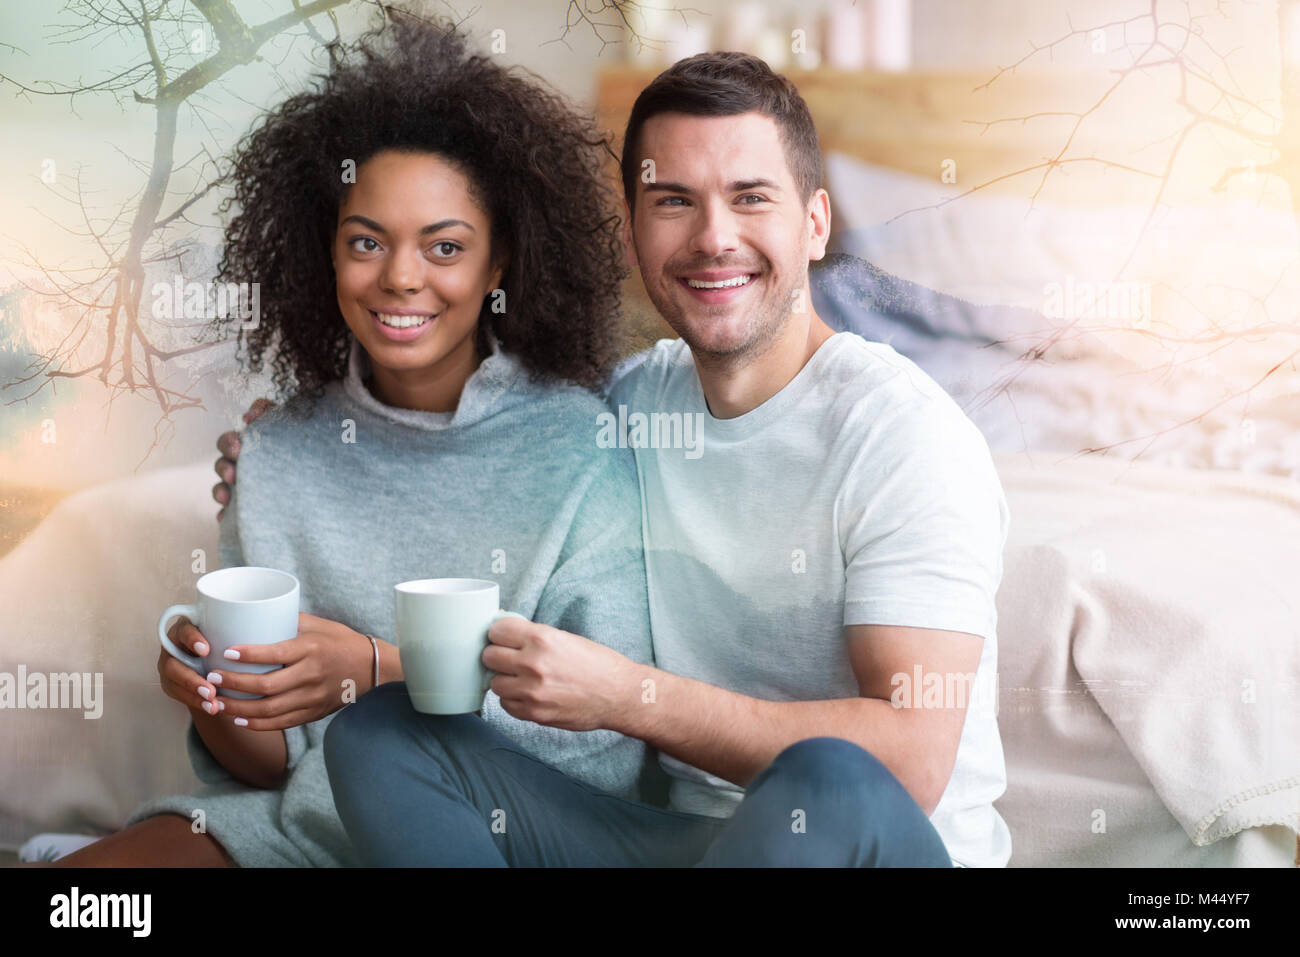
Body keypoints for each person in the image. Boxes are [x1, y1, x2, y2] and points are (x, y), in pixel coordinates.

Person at [307, 51, 1013, 867]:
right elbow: (481, 428)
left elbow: (912, 762)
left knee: (826, 781)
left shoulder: (903, 438)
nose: (714, 238)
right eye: (673, 201)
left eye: (750, 198)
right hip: (686, 845)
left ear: (815, 222)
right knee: (384, 734)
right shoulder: (635, 403)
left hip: (858, 842)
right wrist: (318, 432)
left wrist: (626, 696)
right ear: (635, 230)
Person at [47, 12, 660, 868]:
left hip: (496, 836)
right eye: (366, 242)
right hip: (300, 833)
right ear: (324, 254)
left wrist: (376, 667)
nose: (400, 276)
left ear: (498, 265)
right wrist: (217, 699)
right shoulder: (277, 454)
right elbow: (270, 770)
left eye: (444, 246)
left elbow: (600, 752)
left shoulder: (582, 449)